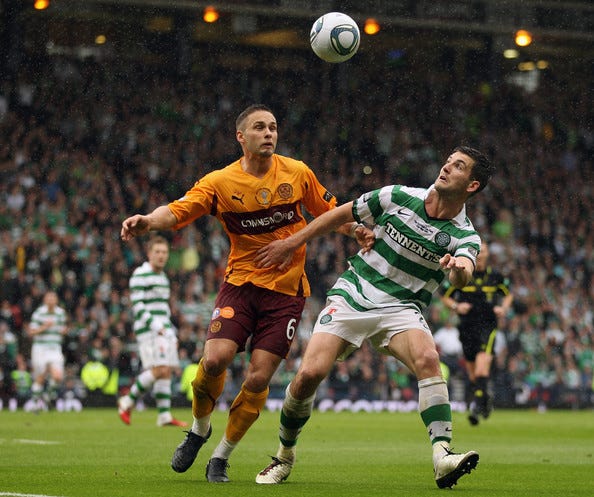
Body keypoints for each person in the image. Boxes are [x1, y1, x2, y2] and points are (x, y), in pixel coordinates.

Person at [120, 104, 373, 482]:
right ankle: (198, 430)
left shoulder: (297, 172)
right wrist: (147, 221)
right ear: (241, 137)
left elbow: (329, 211)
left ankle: (221, 456)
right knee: (214, 361)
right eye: (260, 127)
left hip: (286, 295)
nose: (269, 133)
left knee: (257, 380)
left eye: (273, 127)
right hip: (240, 286)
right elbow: (178, 211)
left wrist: (355, 230)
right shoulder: (220, 182)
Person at [253, 145, 494, 489]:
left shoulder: (464, 235)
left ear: (472, 185)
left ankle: (442, 456)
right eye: (448, 161)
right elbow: (340, 214)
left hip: (402, 308)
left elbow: (465, 271)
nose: (446, 167)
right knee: (309, 374)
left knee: (428, 358)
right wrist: (293, 243)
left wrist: (457, 269)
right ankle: (284, 455)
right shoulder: (397, 196)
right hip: (355, 293)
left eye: (458, 167)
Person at [117, 235, 188, 427]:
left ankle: (164, 415)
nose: (161, 256)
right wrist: (155, 325)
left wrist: (169, 330)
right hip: (148, 330)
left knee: (166, 371)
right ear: (149, 253)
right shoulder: (141, 274)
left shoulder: (162, 277)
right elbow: (137, 305)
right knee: (160, 369)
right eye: (157, 252)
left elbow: (163, 307)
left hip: (162, 328)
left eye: (164, 252)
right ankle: (127, 401)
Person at [440, 241, 513, 425]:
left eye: (484, 250)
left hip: (487, 326)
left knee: (482, 368)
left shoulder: (495, 276)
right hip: (466, 328)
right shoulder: (463, 274)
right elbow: (445, 296)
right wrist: (457, 306)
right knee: (473, 375)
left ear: (487, 254)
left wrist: (503, 308)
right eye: (478, 250)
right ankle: (484, 400)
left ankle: (477, 407)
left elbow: (508, 294)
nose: (480, 254)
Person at [26, 290, 68, 409]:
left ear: (56, 300)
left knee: (58, 377)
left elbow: (63, 329)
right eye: (48, 298)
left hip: (55, 348)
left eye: (53, 298)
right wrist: (44, 327)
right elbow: (31, 331)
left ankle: (47, 397)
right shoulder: (39, 313)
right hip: (40, 348)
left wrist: (64, 331)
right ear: (44, 300)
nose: (51, 300)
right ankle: (35, 404)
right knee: (41, 376)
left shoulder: (60, 313)